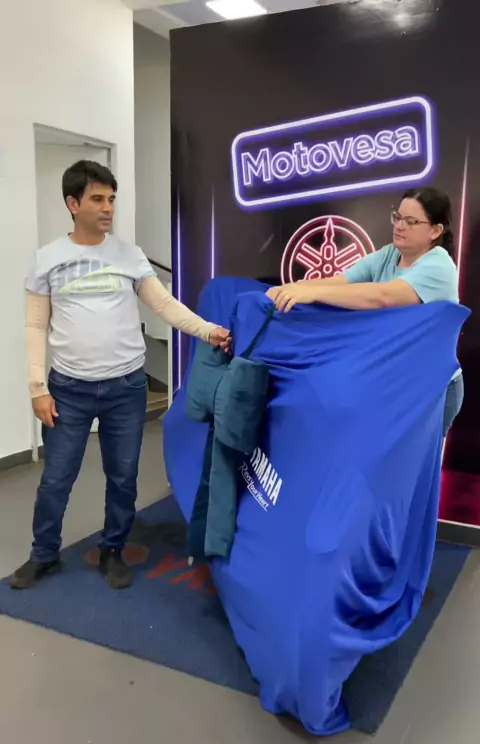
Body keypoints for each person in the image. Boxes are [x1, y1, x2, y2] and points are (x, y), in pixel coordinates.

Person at [10, 160, 231, 591]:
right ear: (73, 204)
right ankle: (44, 555)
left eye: (111, 198)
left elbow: (164, 305)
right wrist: (37, 388)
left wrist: (208, 330)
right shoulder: (48, 259)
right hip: (67, 390)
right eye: (97, 199)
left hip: (126, 388)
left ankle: (112, 550)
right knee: (56, 479)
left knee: (123, 476)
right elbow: (35, 325)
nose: (108, 207)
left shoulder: (129, 256)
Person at [267, 186, 463, 438]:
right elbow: (340, 282)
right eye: (398, 217)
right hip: (397, 384)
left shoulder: (438, 266)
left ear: (435, 231)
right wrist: (289, 289)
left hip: (432, 387)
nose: (399, 226)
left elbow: (383, 297)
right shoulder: (388, 255)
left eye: (411, 221)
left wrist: (313, 294)